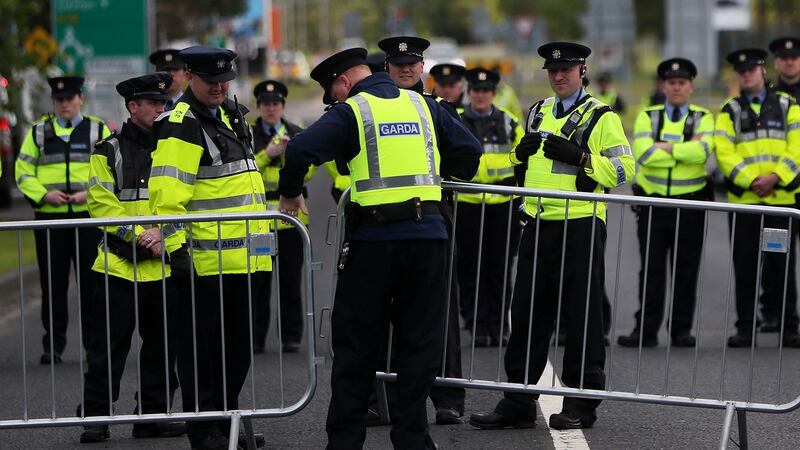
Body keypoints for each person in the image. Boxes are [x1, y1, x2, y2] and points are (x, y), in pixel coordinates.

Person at [278, 47, 481, 448]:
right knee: (418, 347)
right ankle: (412, 439)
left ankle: (345, 442)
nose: (336, 100)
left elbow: (300, 150)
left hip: (374, 243)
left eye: (334, 92)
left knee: (356, 348)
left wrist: (288, 196)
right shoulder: (425, 106)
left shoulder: (352, 111)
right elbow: (469, 152)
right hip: (429, 239)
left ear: (344, 82)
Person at [469, 41, 634, 431]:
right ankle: (519, 401)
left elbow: (625, 170)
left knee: (581, 316)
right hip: (537, 222)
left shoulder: (601, 116)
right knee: (526, 314)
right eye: (553, 71)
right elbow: (524, 168)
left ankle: (581, 402)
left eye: (567, 70)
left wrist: (581, 158)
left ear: (582, 72)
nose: (559, 76)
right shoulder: (538, 111)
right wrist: (516, 157)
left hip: (580, 223)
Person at [148, 45, 271, 449]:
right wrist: (177, 250)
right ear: (188, 77)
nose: (219, 87)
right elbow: (167, 196)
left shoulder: (230, 116)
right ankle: (204, 432)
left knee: (236, 354)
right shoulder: (181, 124)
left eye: (224, 80)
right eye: (210, 81)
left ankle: (226, 426)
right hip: (203, 263)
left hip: (244, 260)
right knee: (203, 355)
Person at [79, 73, 184, 443]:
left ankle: (152, 415)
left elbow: (184, 201)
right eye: (153, 103)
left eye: (163, 103)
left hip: (164, 265)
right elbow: (101, 204)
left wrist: (164, 237)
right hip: (117, 267)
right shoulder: (107, 150)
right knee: (106, 349)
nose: (160, 109)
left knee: (163, 347)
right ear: (133, 106)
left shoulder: (175, 148)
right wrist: (141, 237)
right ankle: (94, 417)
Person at [375, 36, 468, 426]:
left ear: (422, 66)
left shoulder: (437, 110)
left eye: (412, 62)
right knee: (385, 314)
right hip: (380, 225)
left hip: (429, 222)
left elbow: (467, 154)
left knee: (439, 313)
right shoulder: (370, 110)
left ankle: (446, 396)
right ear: (387, 69)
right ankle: (390, 398)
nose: (406, 69)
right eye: (399, 64)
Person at [618, 58, 715, 348]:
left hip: (691, 204)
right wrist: (684, 148)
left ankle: (681, 330)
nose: (676, 87)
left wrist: (665, 146)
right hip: (654, 204)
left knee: (687, 268)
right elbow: (644, 154)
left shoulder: (703, 117)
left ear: (691, 87)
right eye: (671, 83)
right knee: (651, 269)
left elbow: (702, 153)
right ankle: (645, 331)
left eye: (681, 83)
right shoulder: (648, 115)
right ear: (663, 85)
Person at [15, 76, 110, 365]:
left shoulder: (97, 129)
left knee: (92, 284)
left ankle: (94, 347)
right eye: (59, 100)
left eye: (69, 98)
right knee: (52, 284)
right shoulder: (39, 133)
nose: (64, 104)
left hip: (86, 219)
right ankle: (53, 346)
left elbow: (110, 171)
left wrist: (88, 194)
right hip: (49, 220)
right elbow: (22, 171)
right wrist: (44, 196)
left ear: (80, 98)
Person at [715, 48, 800, 348]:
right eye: (742, 71)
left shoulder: (789, 105)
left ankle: (790, 327)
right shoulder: (730, 110)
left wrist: (775, 178)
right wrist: (752, 181)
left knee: (782, 266)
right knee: (746, 265)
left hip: (780, 201)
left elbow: (797, 147)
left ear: (763, 71)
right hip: (746, 204)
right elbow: (724, 152)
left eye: (752, 69)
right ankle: (745, 328)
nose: (747, 74)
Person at [456, 67, 523, 346]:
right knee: (470, 269)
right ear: (469, 93)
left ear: (493, 94)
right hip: (468, 205)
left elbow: (523, 161)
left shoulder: (509, 123)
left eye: (485, 91)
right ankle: (477, 324)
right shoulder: (456, 121)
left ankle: (498, 326)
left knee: (499, 268)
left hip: (501, 207)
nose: (480, 95)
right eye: (475, 91)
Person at [251, 79, 311, 354]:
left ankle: (291, 337)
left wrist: (289, 160)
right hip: (261, 222)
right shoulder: (247, 136)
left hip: (291, 221)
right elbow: (246, 173)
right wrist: (267, 154)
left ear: (283, 106)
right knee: (258, 283)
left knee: (290, 282)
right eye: (266, 104)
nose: (271, 108)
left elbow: (309, 171)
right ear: (259, 107)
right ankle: (256, 338)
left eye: (275, 104)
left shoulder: (297, 134)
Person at [770, 37, 800, 102]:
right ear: (775, 63)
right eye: (784, 58)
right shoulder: (767, 96)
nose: (789, 63)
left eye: (794, 57)